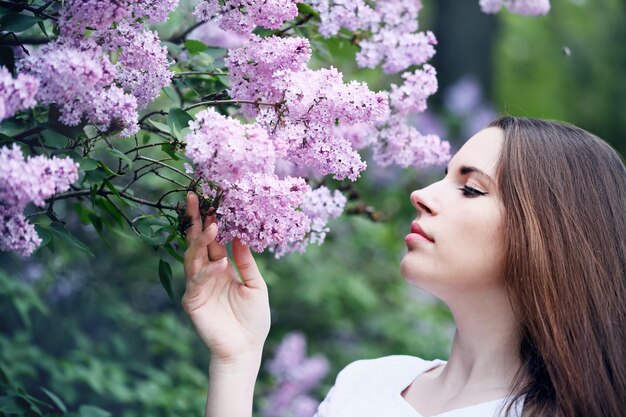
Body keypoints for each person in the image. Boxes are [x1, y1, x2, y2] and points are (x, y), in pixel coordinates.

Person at [181, 116, 626, 417]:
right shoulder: (367, 383)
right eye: (445, 175)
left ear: (546, 234)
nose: (422, 194)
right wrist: (238, 360)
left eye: (470, 189)